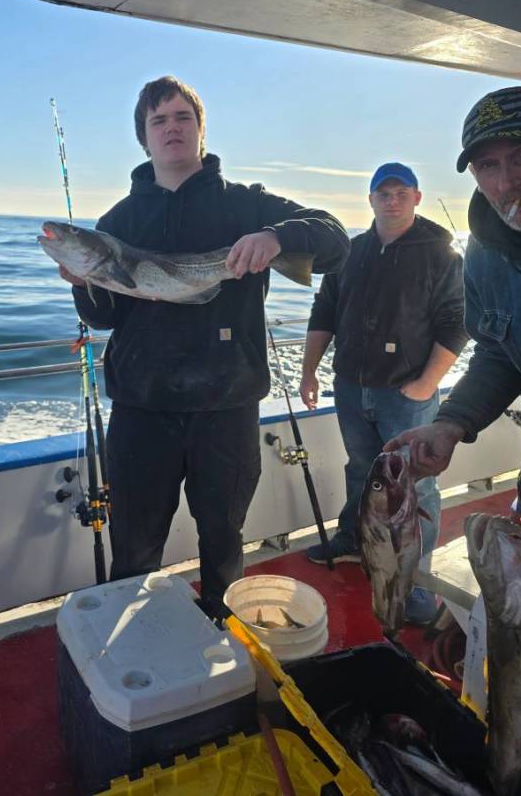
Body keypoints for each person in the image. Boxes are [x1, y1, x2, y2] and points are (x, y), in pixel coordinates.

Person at [57, 75, 349, 617]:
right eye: (158, 120)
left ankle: (224, 639)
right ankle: (136, 649)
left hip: (227, 407)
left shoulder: (245, 205)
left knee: (223, 539)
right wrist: (84, 285)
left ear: (200, 132)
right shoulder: (117, 222)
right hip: (142, 410)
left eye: (181, 118)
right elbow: (104, 319)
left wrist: (278, 238)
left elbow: (334, 236)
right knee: (135, 546)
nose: (171, 128)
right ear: (144, 137)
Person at [298, 162, 466, 624]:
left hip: (406, 393)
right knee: (361, 471)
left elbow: (458, 320)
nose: (391, 200)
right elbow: (324, 310)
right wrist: (310, 372)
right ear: (370, 199)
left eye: (400, 193)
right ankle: (354, 542)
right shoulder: (350, 251)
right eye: (382, 193)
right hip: (351, 387)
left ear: (416, 197)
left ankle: (413, 586)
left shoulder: (441, 251)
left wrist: (425, 385)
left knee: (415, 489)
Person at [386, 86, 521, 541]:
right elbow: (497, 352)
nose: (505, 183)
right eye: (487, 165)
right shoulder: (483, 252)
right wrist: (450, 423)